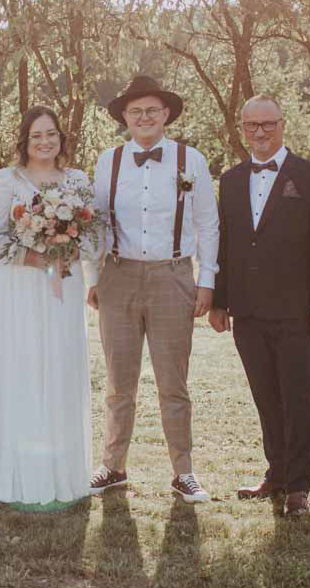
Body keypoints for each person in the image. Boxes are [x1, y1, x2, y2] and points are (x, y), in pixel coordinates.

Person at [85, 75, 220, 503]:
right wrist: (93, 278)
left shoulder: (190, 159)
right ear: (125, 117)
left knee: (172, 382)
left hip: (172, 277)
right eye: (135, 111)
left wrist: (207, 281)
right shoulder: (108, 161)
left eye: (151, 110)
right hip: (118, 276)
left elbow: (208, 224)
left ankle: (184, 472)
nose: (144, 117)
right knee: (118, 382)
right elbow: (95, 223)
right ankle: (112, 466)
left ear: (165, 114)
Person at [209, 94, 310, 518]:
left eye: (268, 124)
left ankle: (298, 487)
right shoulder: (230, 180)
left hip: (296, 311)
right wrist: (219, 301)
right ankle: (277, 475)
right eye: (252, 125)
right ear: (242, 129)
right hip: (247, 312)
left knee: (297, 400)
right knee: (266, 399)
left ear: (282, 125)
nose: (260, 132)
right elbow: (226, 245)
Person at [0, 106, 98, 508]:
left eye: (51, 134)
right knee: (23, 365)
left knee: (60, 363)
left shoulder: (77, 180)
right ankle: (20, 476)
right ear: (24, 141)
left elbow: (97, 237)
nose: (45, 142)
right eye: (36, 135)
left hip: (64, 284)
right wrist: (34, 257)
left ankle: (63, 475)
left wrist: (68, 250)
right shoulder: (6, 180)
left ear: (61, 137)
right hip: (20, 286)